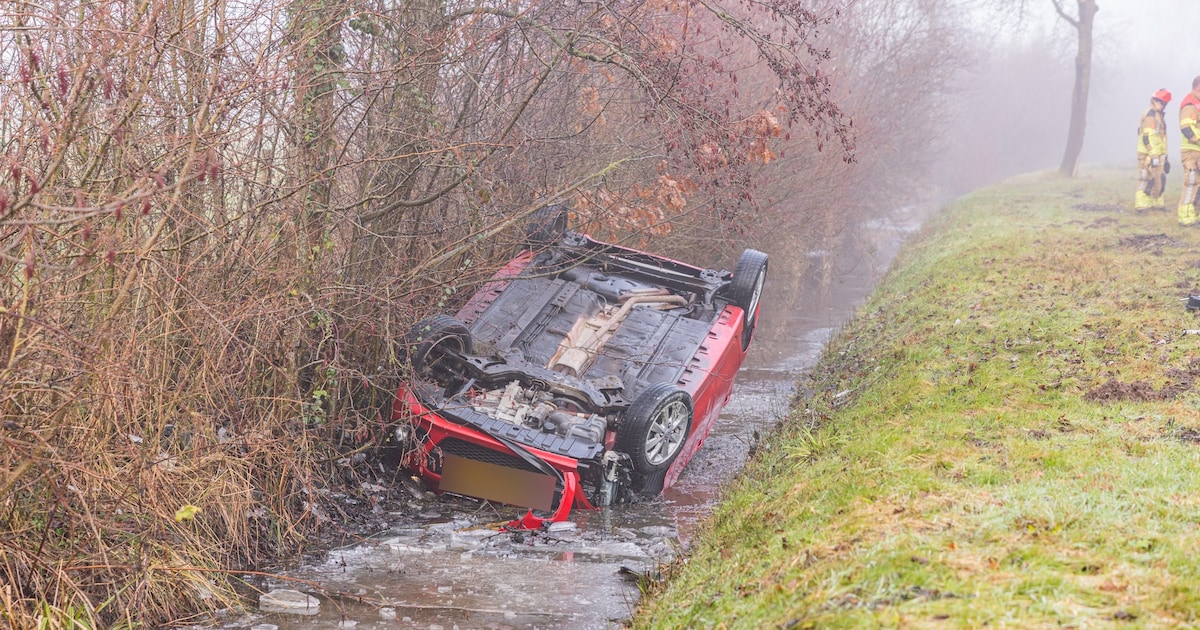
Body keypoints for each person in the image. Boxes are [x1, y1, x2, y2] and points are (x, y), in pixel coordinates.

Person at [1136, 89, 1171, 211]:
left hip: (1157, 153)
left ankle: (1155, 203)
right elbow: (1148, 137)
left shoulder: (1158, 115)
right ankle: (1141, 205)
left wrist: (1164, 155)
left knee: (1159, 179)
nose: (1160, 105)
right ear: (1154, 100)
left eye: (1163, 103)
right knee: (1146, 179)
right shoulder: (1150, 115)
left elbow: (1161, 137)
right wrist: (1152, 155)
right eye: (1159, 102)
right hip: (1147, 154)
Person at [1179, 77, 1200, 225]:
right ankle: (1185, 216)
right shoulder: (1189, 105)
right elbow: (1187, 129)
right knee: (1191, 183)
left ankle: (1194, 213)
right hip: (1191, 151)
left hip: (1197, 150)